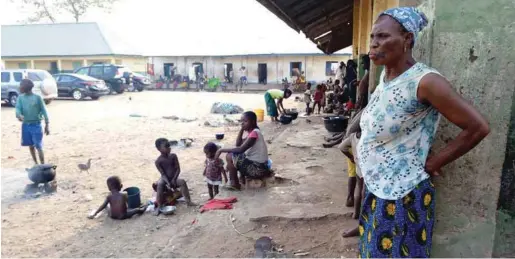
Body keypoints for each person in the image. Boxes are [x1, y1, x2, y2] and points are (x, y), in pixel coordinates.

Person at [357, 7, 489, 258]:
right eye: (373, 37)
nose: (374, 44)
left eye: (383, 37)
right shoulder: (386, 78)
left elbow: (478, 127)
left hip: (401, 196)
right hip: (378, 188)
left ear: (407, 39)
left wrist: (434, 162)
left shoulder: (425, 82)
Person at [215, 111, 270, 190]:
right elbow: (238, 144)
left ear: (253, 122)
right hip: (260, 167)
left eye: (245, 121)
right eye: (241, 121)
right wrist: (241, 129)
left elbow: (241, 149)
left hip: (258, 169)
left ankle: (234, 184)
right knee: (236, 155)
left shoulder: (254, 134)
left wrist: (221, 150)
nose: (242, 123)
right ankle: (240, 179)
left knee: (230, 156)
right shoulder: (253, 132)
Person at [154, 138, 196, 215]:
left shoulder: (173, 156)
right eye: (166, 146)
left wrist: (174, 179)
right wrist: (168, 182)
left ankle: (188, 201)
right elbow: (163, 174)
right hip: (165, 179)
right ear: (159, 149)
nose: (169, 148)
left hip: (174, 178)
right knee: (159, 184)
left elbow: (178, 169)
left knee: (182, 182)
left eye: (169, 146)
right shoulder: (158, 161)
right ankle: (159, 206)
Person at [15, 79, 50, 165]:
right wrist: (19, 115)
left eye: (21, 85)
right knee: (31, 146)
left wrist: (47, 124)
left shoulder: (37, 98)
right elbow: (17, 108)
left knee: (38, 146)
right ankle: (36, 163)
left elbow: (44, 110)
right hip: (26, 125)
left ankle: (42, 164)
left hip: (36, 125)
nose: (20, 87)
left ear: (26, 87)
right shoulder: (20, 98)